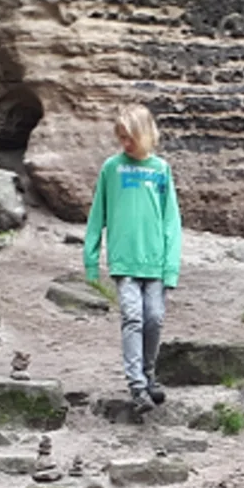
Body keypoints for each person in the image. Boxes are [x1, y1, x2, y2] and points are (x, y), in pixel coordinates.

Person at [83, 104, 182, 415]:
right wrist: (91, 258)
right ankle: (137, 386)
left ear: (145, 135)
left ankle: (149, 375)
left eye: (129, 138)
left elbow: (171, 221)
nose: (124, 144)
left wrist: (171, 267)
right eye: (121, 138)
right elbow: (97, 213)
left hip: (154, 262)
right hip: (124, 262)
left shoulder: (160, 170)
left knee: (154, 317)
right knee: (132, 317)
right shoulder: (112, 168)